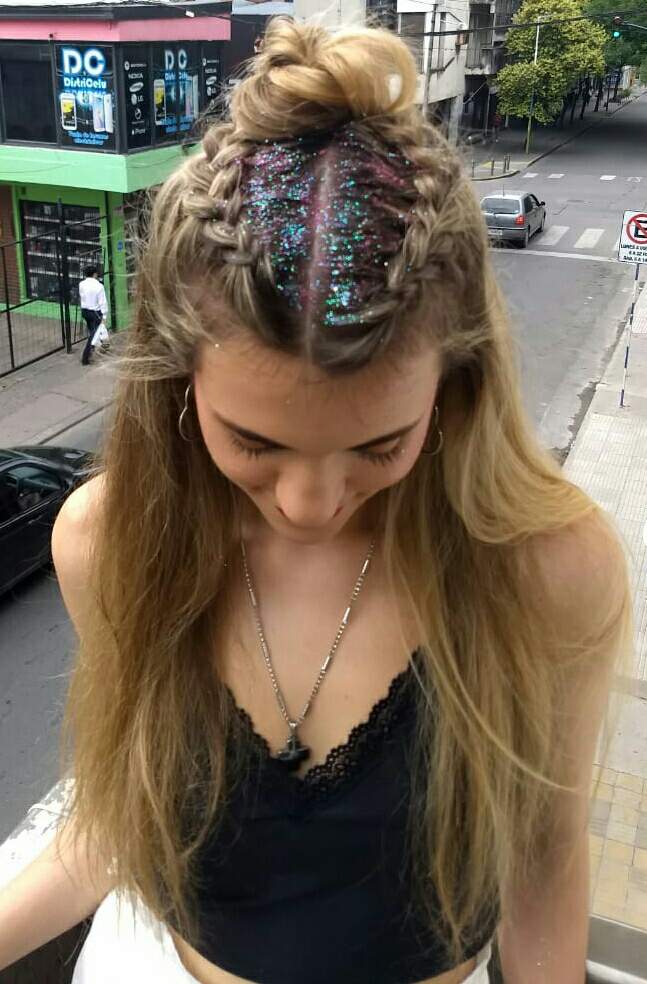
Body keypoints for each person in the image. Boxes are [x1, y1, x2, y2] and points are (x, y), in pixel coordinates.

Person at [0, 15, 631, 984]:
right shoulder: (110, 541)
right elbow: (119, 823)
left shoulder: (549, 568)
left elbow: (543, 864)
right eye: (253, 442)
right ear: (175, 382)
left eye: (379, 445)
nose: (308, 501)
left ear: (455, 385)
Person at [78, 265, 108, 366]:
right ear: (95, 274)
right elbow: (102, 302)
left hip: (85, 311)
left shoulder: (81, 284)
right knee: (94, 334)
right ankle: (86, 357)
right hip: (95, 312)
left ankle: (99, 348)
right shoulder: (99, 286)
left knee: (93, 331)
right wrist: (104, 316)